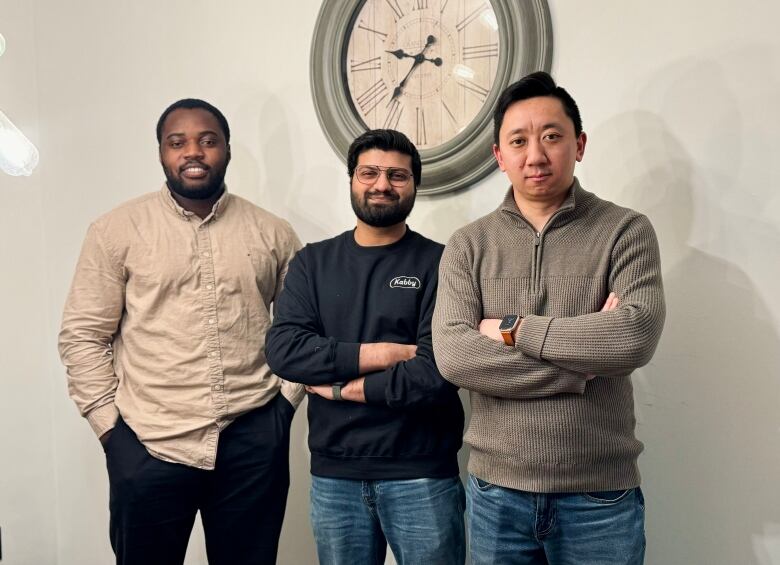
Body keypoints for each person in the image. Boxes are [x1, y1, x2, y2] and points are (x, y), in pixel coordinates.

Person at [432, 71, 666, 565]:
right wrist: (583, 364)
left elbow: (633, 338)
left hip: (600, 497)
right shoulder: (467, 245)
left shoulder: (625, 230)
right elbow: (454, 356)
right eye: (518, 141)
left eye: (552, 137)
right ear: (499, 156)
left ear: (578, 145)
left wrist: (511, 329)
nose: (535, 155)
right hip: (496, 495)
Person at [58, 98, 303, 565]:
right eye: (178, 143)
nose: (194, 152)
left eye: (208, 141)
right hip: (149, 442)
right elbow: (83, 335)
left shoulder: (273, 233)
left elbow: (299, 331)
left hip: (250, 440)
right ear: (161, 153)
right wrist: (110, 429)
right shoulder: (116, 230)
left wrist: (282, 411)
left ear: (227, 149)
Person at [265, 129, 465, 565]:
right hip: (335, 474)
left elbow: (437, 372)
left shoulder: (442, 263)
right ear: (352, 178)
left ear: (415, 185)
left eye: (397, 175)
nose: (381, 184)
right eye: (369, 172)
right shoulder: (312, 263)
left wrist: (338, 387)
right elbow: (284, 351)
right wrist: (388, 353)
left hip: (422, 472)